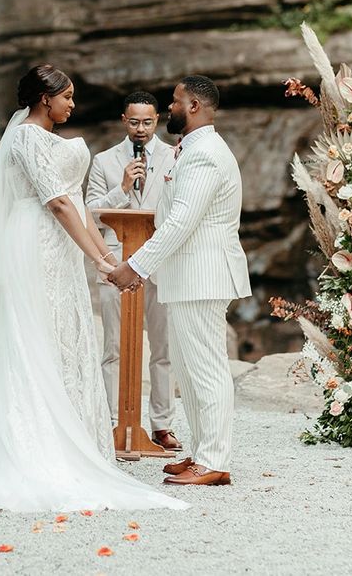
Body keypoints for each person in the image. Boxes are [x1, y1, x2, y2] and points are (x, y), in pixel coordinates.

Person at [0, 65, 187, 513]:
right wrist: (98, 258)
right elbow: (58, 202)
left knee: (66, 338)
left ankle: (70, 440)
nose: (72, 104)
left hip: (60, 246)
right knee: (35, 339)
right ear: (45, 99)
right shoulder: (25, 137)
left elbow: (77, 203)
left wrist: (104, 260)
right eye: (67, 96)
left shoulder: (50, 139)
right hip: (34, 244)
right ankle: (33, 447)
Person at [108, 76, 251, 487]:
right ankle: (203, 452)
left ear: (193, 106)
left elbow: (181, 223)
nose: (169, 108)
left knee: (205, 368)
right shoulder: (190, 149)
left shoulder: (204, 153)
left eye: (174, 102)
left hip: (202, 275)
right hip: (188, 276)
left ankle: (214, 461)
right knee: (188, 371)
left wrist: (134, 266)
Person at [85, 90, 180, 450]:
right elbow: (91, 212)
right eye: (134, 122)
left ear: (157, 121)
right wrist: (122, 188)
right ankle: (113, 421)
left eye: (148, 122)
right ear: (124, 121)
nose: (141, 129)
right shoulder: (104, 160)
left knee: (162, 347)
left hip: (159, 263)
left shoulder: (175, 157)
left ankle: (161, 424)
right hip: (116, 262)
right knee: (113, 345)